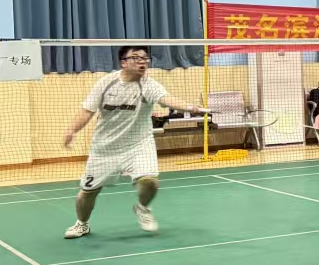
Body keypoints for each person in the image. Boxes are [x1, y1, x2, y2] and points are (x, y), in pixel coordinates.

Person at [62, 46, 210, 239]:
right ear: (123, 62)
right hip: (105, 148)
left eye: (145, 58)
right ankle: (82, 224)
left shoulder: (149, 85)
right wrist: (72, 130)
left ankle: (142, 208)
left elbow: (167, 99)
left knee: (150, 182)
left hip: (138, 144)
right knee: (87, 193)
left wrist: (191, 107)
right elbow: (87, 111)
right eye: (136, 58)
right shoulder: (105, 83)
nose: (142, 61)